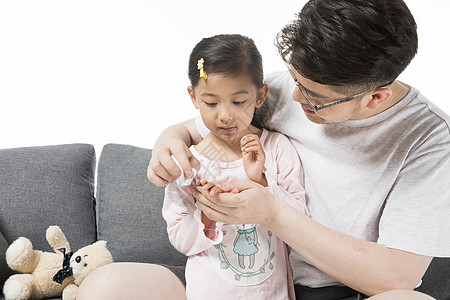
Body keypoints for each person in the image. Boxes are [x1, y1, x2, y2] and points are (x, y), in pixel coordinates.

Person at [78, 0, 449, 299]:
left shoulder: (429, 141)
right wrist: (168, 140)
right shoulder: (288, 89)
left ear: (376, 96)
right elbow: (202, 125)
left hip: (337, 291)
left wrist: (271, 211)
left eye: (315, 99)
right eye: (294, 80)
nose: (295, 97)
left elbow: (395, 277)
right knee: (105, 287)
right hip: (224, 280)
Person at [162, 34, 309, 300]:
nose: (226, 115)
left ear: (260, 95)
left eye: (239, 102)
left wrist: (261, 182)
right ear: (193, 97)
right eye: (211, 103)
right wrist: (208, 214)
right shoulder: (189, 163)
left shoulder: (276, 149)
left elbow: (301, 224)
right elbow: (181, 241)